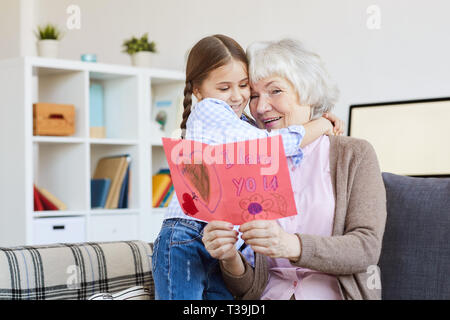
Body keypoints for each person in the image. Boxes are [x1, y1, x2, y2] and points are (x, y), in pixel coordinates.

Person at [151, 34, 344, 300]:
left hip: (222, 241)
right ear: (198, 90)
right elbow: (269, 147)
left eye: (244, 86)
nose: (237, 96)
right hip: (188, 235)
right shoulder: (209, 110)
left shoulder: (242, 123)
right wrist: (321, 124)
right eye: (224, 88)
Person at [202, 38, 387, 300]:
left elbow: (366, 249)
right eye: (253, 96)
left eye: (275, 91)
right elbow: (248, 290)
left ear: (308, 92)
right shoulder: (249, 162)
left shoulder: (353, 154)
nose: (261, 107)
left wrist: (291, 245)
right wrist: (229, 256)